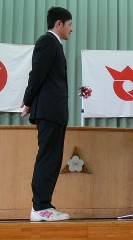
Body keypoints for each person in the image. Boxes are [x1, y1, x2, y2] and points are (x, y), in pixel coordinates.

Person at [20, 6, 73, 221]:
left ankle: (45, 205)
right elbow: (37, 73)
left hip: (56, 112)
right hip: (49, 111)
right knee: (47, 159)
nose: (72, 29)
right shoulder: (47, 42)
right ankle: (39, 207)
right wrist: (28, 100)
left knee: (52, 159)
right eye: (69, 24)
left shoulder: (56, 45)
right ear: (58, 23)